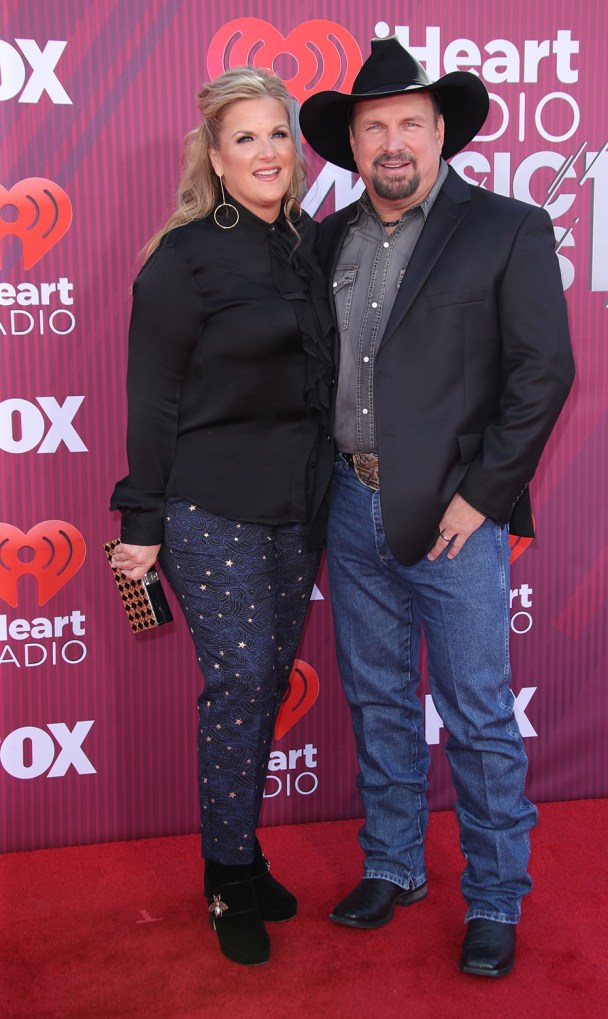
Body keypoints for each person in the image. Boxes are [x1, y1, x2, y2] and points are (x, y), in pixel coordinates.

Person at [299, 36, 574, 977]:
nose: (393, 141)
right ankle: (392, 864)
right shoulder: (326, 239)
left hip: (457, 516)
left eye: (410, 121)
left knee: (477, 712)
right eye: (374, 124)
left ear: (441, 129)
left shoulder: (506, 227)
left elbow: (543, 373)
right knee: (377, 698)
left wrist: (482, 497)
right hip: (348, 501)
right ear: (351, 142)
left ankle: (495, 897)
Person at [110, 67, 333, 967]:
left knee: (268, 683)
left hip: (299, 507)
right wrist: (141, 521)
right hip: (211, 508)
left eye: (278, 134)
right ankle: (226, 873)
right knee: (240, 687)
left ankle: (247, 850)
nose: (267, 152)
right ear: (215, 153)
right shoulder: (186, 257)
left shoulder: (311, 246)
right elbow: (152, 398)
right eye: (245, 137)